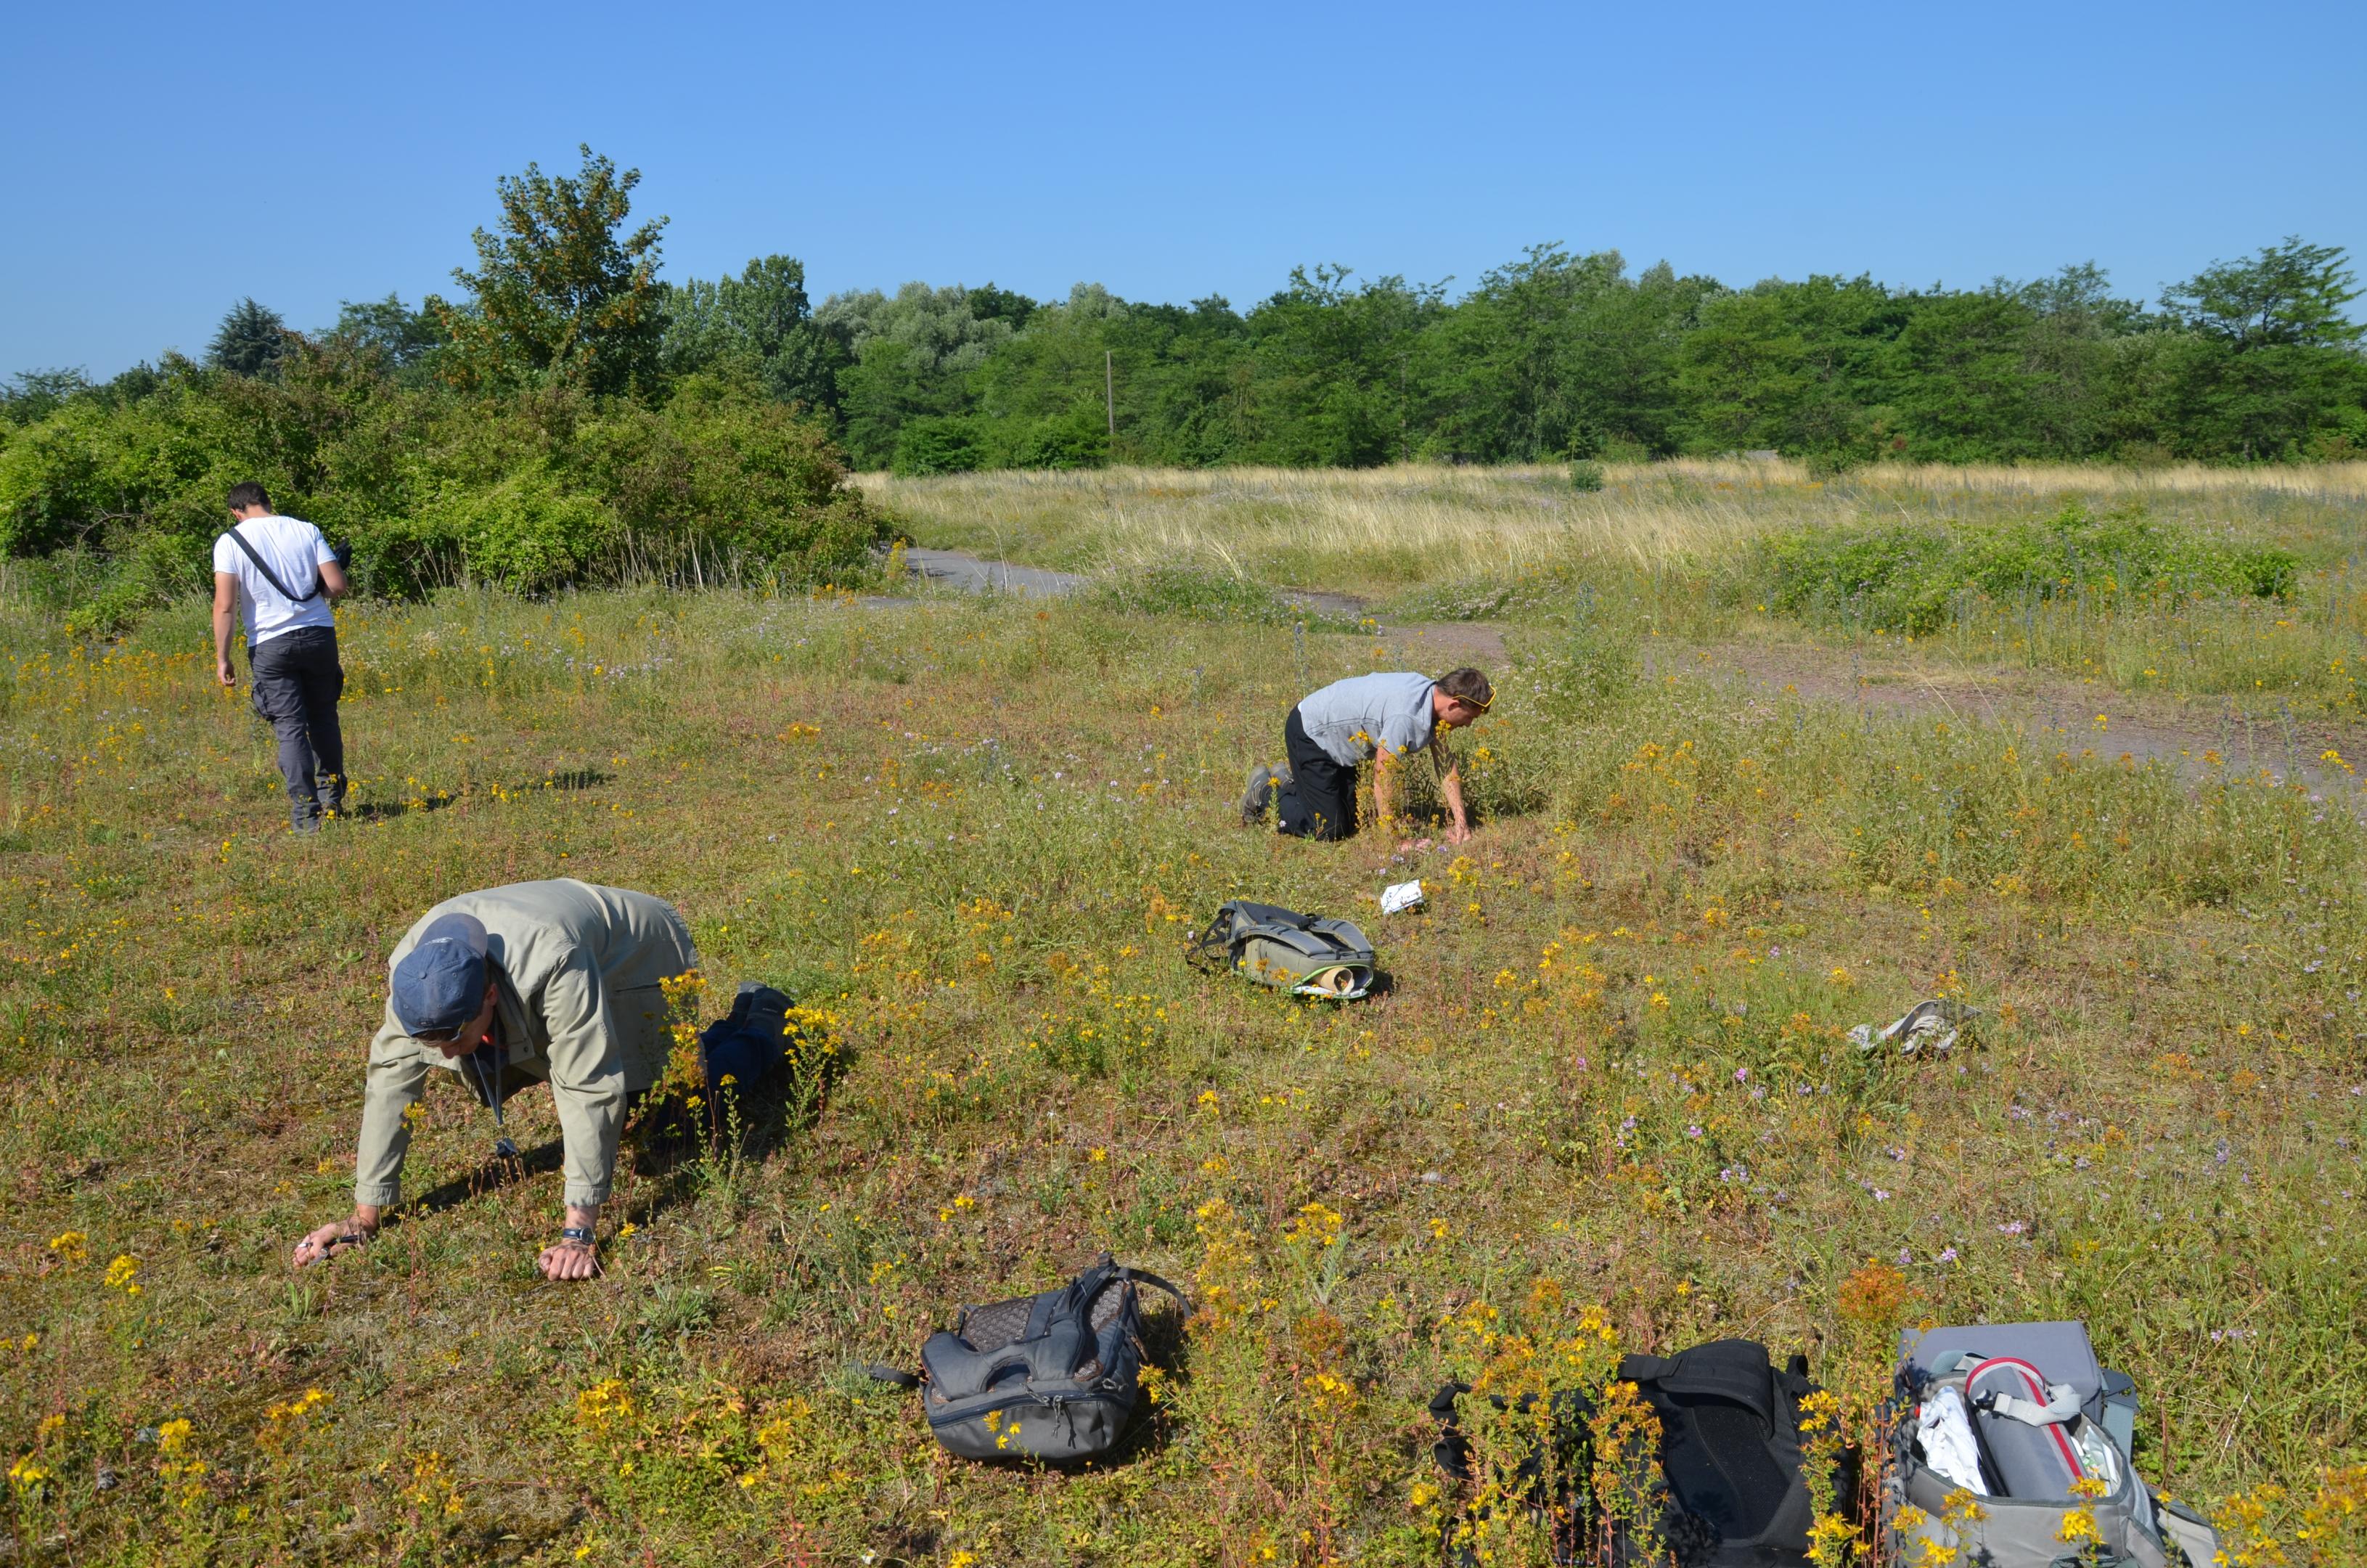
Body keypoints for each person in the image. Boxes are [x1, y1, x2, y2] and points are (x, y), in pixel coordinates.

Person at [291, 880, 698, 1282]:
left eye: (453, 1039)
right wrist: (364, 1218)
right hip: (559, 946)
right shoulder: (415, 978)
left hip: (637, 951)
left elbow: (588, 1084)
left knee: (669, 1098)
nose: (446, 1055)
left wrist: (578, 1233)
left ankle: (760, 1016)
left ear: (488, 996)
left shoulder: (554, 963)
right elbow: (389, 1085)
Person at [212, 482, 350, 832]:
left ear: (236, 512)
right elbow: (336, 586)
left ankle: (306, 815)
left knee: (290, 728)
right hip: (319, 635)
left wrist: (222, 658)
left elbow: (225, 605)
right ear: (268, 502)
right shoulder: (306, 529)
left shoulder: (230, 541)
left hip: (270, 644)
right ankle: (332, 800)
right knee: (324, 718)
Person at [1243, 667, 1492, 846]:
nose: (1469, 725)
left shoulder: (1431, 697)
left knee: (1351, 821)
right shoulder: (1407, 717)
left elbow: (1446, 765)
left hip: (1341, 743)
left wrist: (1462, 823)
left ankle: (1288, 783)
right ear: (1455, 704)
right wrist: (1396, 839)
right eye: (1470, 717)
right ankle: (1263, 792)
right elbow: (1383, 776)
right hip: (1312, 734)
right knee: (1329, 829)